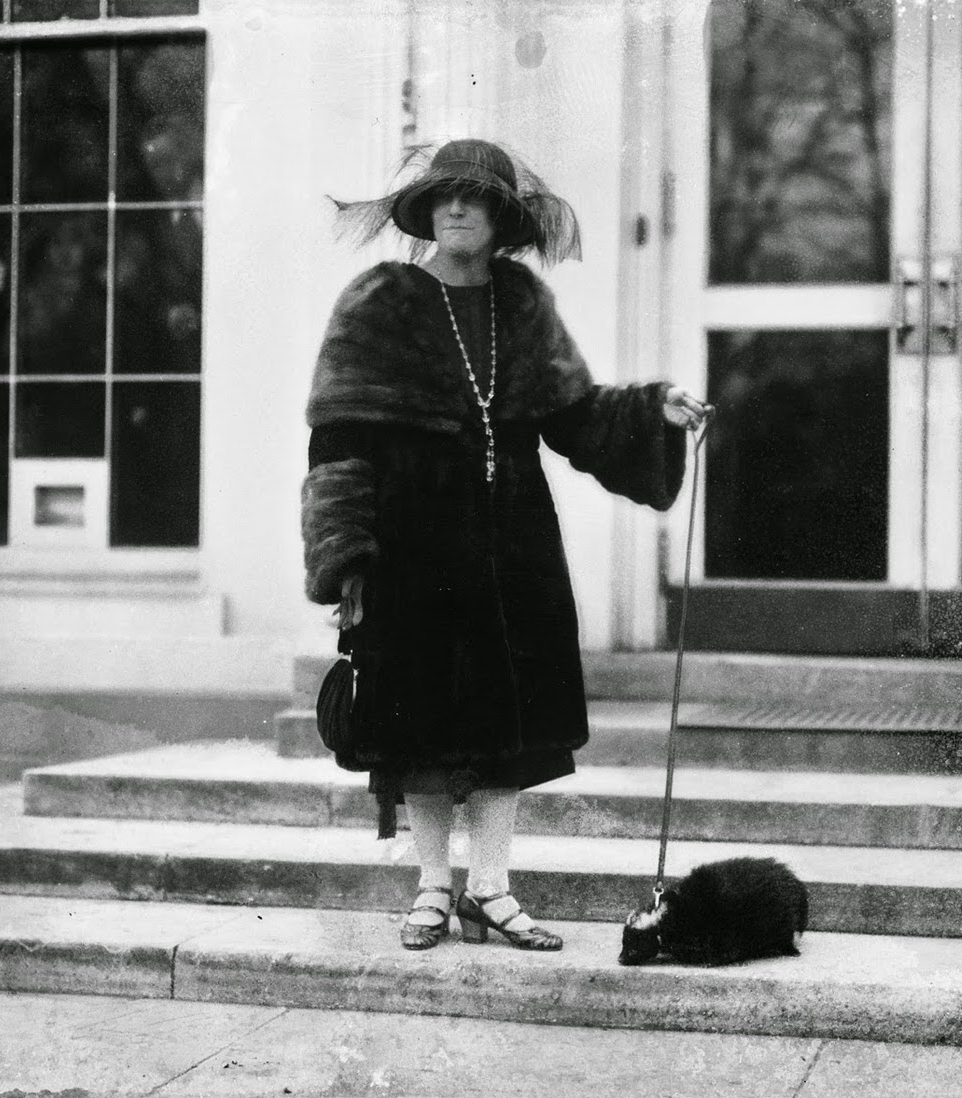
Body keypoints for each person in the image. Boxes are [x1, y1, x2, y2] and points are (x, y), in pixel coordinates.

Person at [301, 139, 710, 952]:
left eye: (475, 199)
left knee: (504, 726)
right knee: (418, 725)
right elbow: (337, 441)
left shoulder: (522, 304)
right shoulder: (378, 301)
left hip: (513, 549)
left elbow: (576, 414)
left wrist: (656, 407)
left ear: (498, 219)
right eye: (444, 198)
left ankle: (490, 890)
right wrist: (346, 557)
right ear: (426, 213)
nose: (457, 210)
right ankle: (430, 891)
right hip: (410, 550)